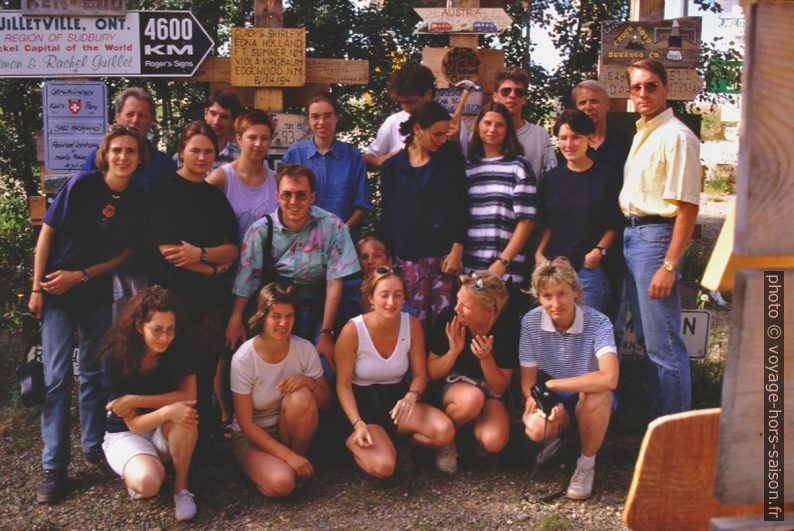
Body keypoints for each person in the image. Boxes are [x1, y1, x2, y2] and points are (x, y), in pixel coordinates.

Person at [28, 124, 147, 504]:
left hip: (93, 292)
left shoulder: (136, 199)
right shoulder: (81, 185)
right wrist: (36, 288)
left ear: (139, 157)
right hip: (56, 293)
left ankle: (94, 447)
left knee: (95, 373)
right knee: (59, 377)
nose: (123, 157)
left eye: (130, 151)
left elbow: (126, 253)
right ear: (105, 154)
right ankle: (54, 466)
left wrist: (83, 275)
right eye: (116, 151)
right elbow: (47, 232)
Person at [149, 121, 240, 449]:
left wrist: (199, 255)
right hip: (172, 297)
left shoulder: (214, 197)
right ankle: (169, 444)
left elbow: (233, 248)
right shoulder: (163, 191)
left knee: (203, 370)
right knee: (172, 369)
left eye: (208, 152)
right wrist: (212, 269)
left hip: (209, 302)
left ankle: (202, 440)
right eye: (195, 150)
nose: (202, 157)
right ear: (181, 152)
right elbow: (169, 254)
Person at [621, 59, 700, 417]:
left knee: (663, 344)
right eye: (636, 87)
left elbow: (687, 208)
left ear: (666, 89)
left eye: (650, 86)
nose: (642, 93)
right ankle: (660, 427)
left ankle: (678, 436)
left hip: (656, 241)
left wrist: (669, 265)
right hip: (634, 236)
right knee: (648, 339)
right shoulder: (644, 132)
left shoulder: (677, 137)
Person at [227, 164, 360, 376]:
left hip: (319, 306)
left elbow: (335, 282)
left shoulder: (333, 226)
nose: (293, 202)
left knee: (325, 370)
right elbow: (247, 279)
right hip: (275, 304)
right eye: (287, 195)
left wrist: (326, 334)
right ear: (278, 196)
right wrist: (235, 318)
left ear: (312, 196)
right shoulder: (260, 230)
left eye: (301, 195)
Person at [335, 266, 454, 478]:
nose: (391, 302)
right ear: (370, 297)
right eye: (384, 295)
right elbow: (342, 385)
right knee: (383, 468)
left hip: (397, 403)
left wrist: (411, 395)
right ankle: (357, 443)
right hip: (362, 408)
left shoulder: (412, 325)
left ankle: (401, 443)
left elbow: (420, 375)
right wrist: (357, 422)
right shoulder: (352, 330)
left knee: (444, 432)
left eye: (397, 295)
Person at [519, 258, 618, 501]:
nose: (555, 303)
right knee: (536, 427)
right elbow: (528, 381)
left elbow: (609, 377)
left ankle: (586, 465)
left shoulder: (599, 322)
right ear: (538, 297)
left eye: (562, 293)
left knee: (597, 392)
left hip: (588, 393)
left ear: (575, 290)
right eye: (546, 296)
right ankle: (560, 437)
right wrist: (546, 405)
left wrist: (554, 385)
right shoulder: (530, 322)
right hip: (553, 393)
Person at [100, 286, 198, 521]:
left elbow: (189, 395)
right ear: (138, 326)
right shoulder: (115, 357)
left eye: (170, 330)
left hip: (163, 428)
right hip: (126, 433)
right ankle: (141, 472)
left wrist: (137, 400)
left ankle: (181, 489)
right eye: (157, 330)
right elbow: (134, 424)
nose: (165, 337)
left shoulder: (180, 348)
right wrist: (167, 409)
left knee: (185, 415)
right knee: (149, 483)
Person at [230, 283, 331, 497]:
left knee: (302, 395)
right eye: (276, 316)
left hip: (287, 429)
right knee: (282, 483)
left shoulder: (304, 348)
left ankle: (297, 463)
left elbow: (326, 403)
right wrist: (288, 457)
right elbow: (246, 424)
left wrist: (309, 382)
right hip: (253, 435)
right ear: (262, 317)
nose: (283, 323)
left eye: (290, 316)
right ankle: (278, 467)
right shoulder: (244, 358)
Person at [379, 101, 468, 327]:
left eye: (444, 134)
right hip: (408, 258)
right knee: (412, 324)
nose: (442, 139)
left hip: (444, 256)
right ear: (417, 129)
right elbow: (388, 215)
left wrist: (457, 248)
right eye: (437, 134)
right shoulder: (392, 168)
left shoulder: (450, 158)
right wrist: (389, 259)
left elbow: (462, 205)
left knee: (445, 322)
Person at [428, 271, 518, 474]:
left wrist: (486, 359)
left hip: (489, 391)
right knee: (471, 400)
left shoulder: (507, 325)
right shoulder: (449, 317)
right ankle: (447, 440)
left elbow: (500, 387)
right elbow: (431, 373)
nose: (457, 307)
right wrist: (453, 352)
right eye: (457, 300)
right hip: (452, 389)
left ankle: (468, 437)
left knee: (493, 441)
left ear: (489, 310)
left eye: (465, 306)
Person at [535, 109, 622, 314]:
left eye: (576, 137)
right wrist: (539, 254)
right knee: (553, 334)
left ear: (589, 138)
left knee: (586, 334)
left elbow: (614, 223)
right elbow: (547, 224)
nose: (569, 144)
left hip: (588, 270)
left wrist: (597, 252)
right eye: (563, 138)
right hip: (554, 268)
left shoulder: (606, 177)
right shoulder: (551, 179)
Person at [571, 79, 633, 323]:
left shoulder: (625, 143)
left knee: (614, 310)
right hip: (582, 240)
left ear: (607, 105)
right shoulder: (571, 146)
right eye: (582, 102)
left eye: (594, 101)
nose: (588, 107)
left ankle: (612, 360)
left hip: (618, 235)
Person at [463, 102, 536, 307]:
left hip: (505, 270)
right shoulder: (468, 166)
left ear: (508, 130)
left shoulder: (519, 166)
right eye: (487, 123)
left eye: (499, 125)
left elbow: (527, 221)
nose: (492, 129)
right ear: (478, 126)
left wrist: (503, 262)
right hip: (471, 268)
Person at [283, 93, 373, 241]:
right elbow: (284, 201)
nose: (321, 122)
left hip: (343, 240)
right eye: (315, 116)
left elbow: (362, 203)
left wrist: (344, 229)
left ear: (337, 117)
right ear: (308, 120)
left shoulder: (352, 155)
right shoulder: (294, 155)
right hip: (302, 241)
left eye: (328, 116)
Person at [364, 63, 468, 168]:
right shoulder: (392, 122)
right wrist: (381, 160)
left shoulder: (453, 124)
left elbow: (463, 165)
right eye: (401, 102)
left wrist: (455, 141)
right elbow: (368, 158)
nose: (406, 108)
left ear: (428, 93)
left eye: (412, 102)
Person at [82, 87, 176, 193]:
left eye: (142, 116)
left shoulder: (164, 165)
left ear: (150, 121)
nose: (135, 120)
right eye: (130, 114)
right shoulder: (97, 158)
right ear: (117, 116)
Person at [207, 109, 279, 242]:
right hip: (230, 259)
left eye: (264, 138)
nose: (258, 144)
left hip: (267, 259)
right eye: (252, 137)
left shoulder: (276, 181)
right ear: (239, 138)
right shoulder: (221, 178)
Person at [491, 67, 557, 180]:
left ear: (524, 99)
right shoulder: (483, 135)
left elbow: (552, 177)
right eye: (506, 91)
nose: (512, 95)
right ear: (495, 96)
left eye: (519, 92)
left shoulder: (539, 135)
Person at [175, 89, 243, 171]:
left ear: (233, 120)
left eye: (224, 117)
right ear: (206, 113)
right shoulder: (183, 156)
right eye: (213, 114)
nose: (217, 121)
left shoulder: (240, 156)